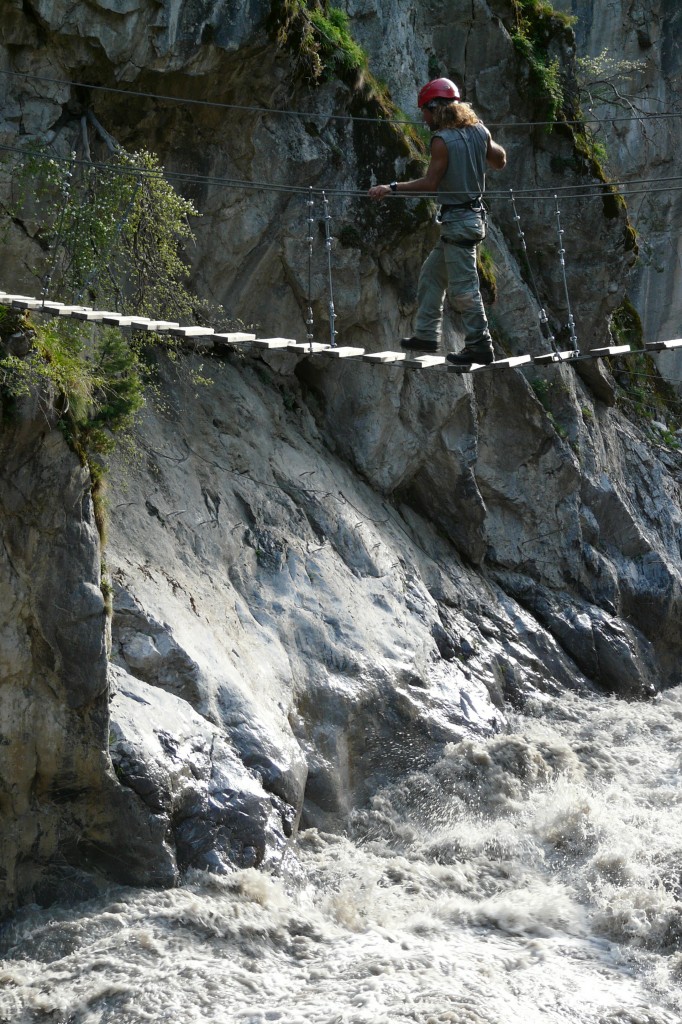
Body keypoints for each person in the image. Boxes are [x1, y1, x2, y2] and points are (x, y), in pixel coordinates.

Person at [368, 77, 506, 366]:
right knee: (431, 276)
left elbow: (431, 184)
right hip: (469, 219)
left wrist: (391, 188)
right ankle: (427, 335)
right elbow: (499, 161)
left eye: (424, 111)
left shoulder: (441, 141)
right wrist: (483, 138)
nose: (423, 118)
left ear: (435, 108)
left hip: (459, 223)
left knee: (464, 289)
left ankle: (480, 345)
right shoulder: (479, 130)